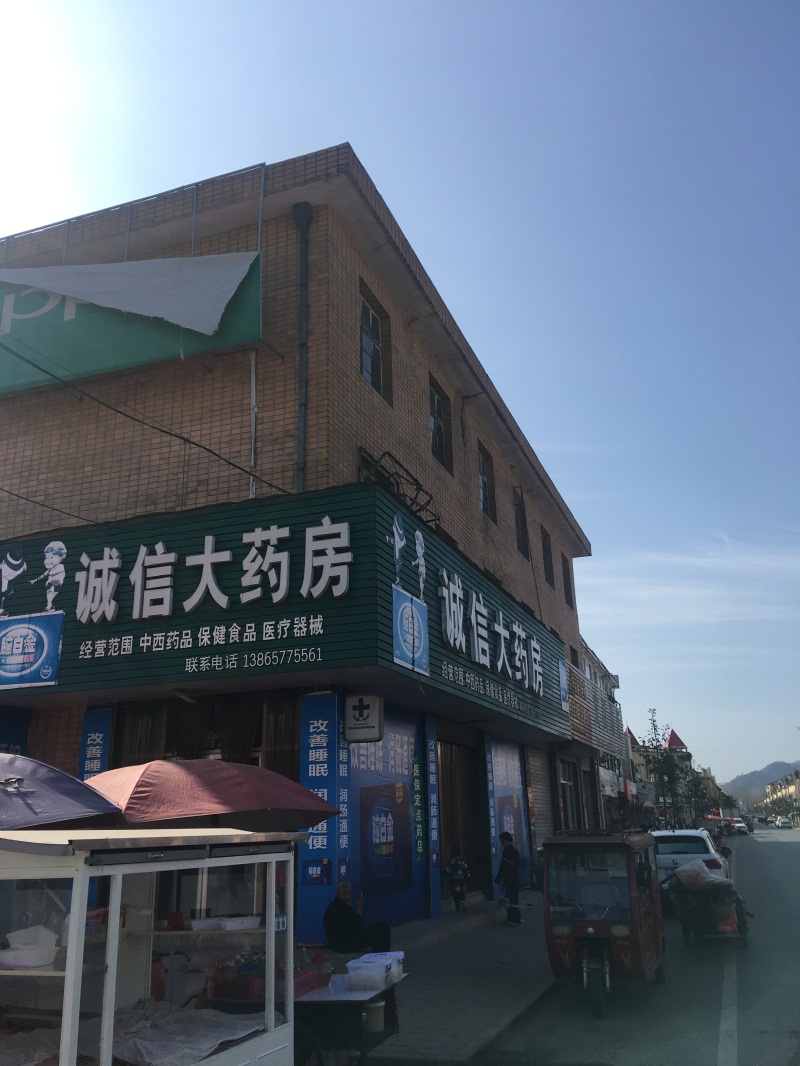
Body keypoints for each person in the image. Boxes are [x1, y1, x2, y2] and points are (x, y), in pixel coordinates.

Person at [323, 882, 391, 953]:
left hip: (340, 944)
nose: (347, 897)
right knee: (382, 928)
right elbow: (354, 928)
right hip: (345, 944)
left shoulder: (334, 907)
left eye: (349, 894)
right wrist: (359, 910)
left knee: (380, 927)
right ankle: (380, 956)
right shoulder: (340, 909)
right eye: (344, 894)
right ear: (337, 894)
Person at [495, 831, 522, 926]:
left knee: (509, 900)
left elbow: (503, 867)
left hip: (511, 879)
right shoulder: (515, 851)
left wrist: (498, 879)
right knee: (514, 899)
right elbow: (519, 863)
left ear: (506, 840)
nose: (501, 843)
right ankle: (517, 919)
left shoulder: (507, 852)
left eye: (502, 841)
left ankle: (512, 919)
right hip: (514, 879)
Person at [444, 845, 470, 915]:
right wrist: (467, 877)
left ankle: (458, 909)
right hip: (461, 880)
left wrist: (444, 877)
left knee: (456, 895)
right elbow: (466, 869)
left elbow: (447, 870)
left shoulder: (451, 861)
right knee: (462, 893)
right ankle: (463, 906)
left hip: (454, 881)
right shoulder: (461, 861)